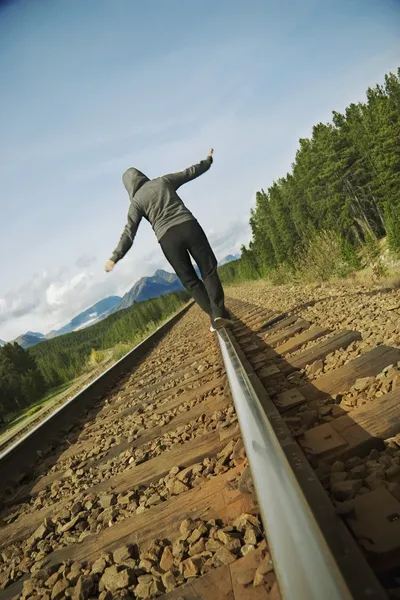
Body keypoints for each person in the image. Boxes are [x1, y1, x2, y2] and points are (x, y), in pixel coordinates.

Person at [104, 149, 233, 332]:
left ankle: (214, 316)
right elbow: (190, 172)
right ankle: (219, 312)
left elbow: (129, 232)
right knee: (208, 269)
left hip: (168, 240)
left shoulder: (136, 203)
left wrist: (115, 257)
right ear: (142, 176)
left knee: (190, 281)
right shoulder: (163, 181)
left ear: (128, 188)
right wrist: (208, 160)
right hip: (188, 226)